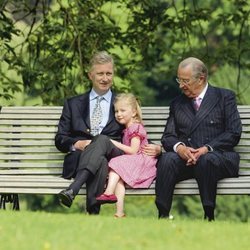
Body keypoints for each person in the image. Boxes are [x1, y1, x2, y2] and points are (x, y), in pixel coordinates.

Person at [55, 51, 161, 214]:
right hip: (81, 159)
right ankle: (93, 213)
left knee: (103, 141)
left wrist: (158, 148)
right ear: (90, 75)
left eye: (108, 73)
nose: (105, 78)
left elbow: (136, 131)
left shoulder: (121, 105)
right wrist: (78, 144)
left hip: (114, 156)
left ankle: (73, 190)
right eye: (100, 74)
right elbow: (60, 139)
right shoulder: (73, 104)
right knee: (101, 160)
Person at [155, 57, 242, 221]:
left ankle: (209, 216)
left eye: (185, 81)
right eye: (179, 80)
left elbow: (233, 132)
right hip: (187, 159)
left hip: (219, 157)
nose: (181, 85)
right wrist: (180, 148)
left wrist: (206, 148)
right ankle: (163, 214)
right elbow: (168, 136)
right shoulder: (177, 103)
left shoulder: (224, 97)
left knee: (206, 160)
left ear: (201, 78)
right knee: (166, 160)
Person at [95, 93, 157, 218]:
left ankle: (108, 192)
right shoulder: (127, 129)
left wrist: (113, 143)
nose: (118, 114)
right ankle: (119, 213)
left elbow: (134, 150)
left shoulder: (135, 127)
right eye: (116, 111)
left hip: (142, 162)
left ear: (134, 112)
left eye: (123, 110)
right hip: (135, 161)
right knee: (119, 180)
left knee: (116, 163)